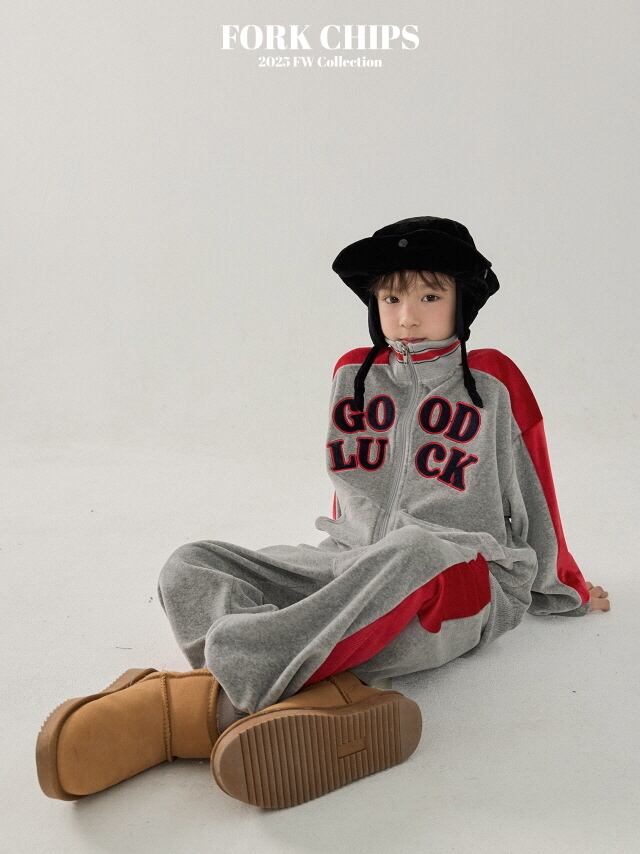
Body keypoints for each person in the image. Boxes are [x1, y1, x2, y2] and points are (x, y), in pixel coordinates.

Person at [35, 216, 610, 810]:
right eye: (391, 298)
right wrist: (341, 572)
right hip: (353, 564)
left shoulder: (493, 381)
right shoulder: (352, 374)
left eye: (429, 297)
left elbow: (534, 486)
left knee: (412, 550)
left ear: (462, 301)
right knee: (191, 564)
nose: (407, 316)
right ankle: (310, 694)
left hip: (461, 578)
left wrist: (562, 583)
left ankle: (195, 708)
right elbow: (354, 497)